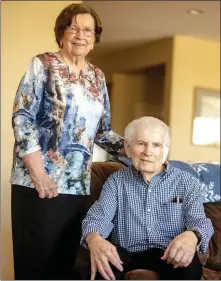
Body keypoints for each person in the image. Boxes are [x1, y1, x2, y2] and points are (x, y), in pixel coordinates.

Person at [11, 3, 125, 280]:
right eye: (73, 27)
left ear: (95, 38)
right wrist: (39, 174)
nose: (80, 35)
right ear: (61, 32)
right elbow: (22, 117)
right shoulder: (43, 64)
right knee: (35, 266)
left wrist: (136, 151)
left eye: (88, 30)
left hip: (77, 186)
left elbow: (102, 132)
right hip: (37, 183)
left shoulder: (97, 77)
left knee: (64, 266)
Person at [81, 116, 214, 280]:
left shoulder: (187, 183)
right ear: (128, 148)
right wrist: (94, 239)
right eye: (141, 143)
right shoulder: (116, 181)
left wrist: (194, 235)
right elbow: (98, 217)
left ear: (165, 151)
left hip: (168, 254)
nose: (148, 152)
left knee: (188, 266)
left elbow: (200, 221)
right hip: (126, 253)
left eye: (156, 145)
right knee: (102, 263)